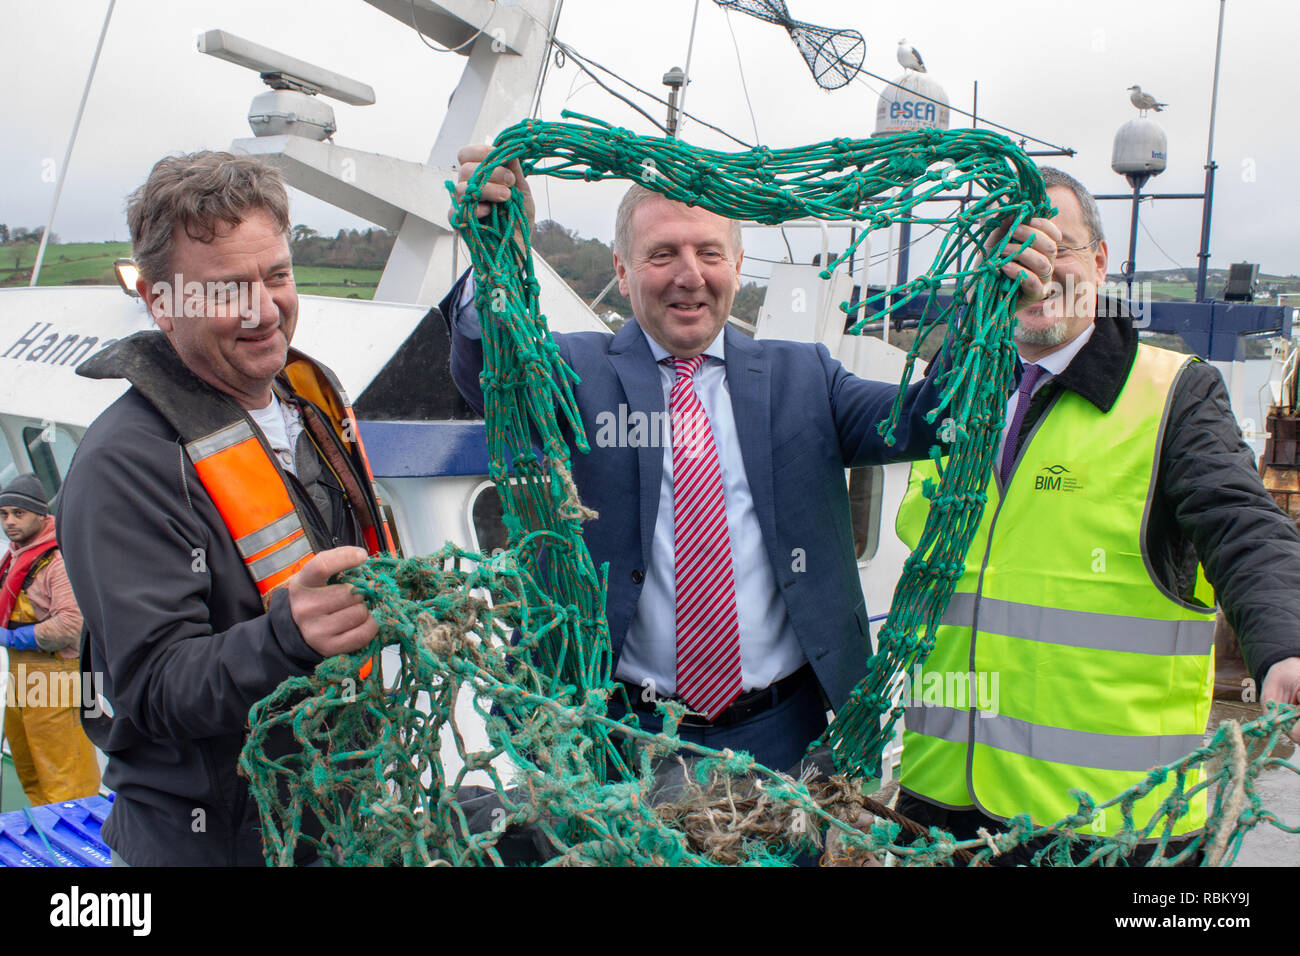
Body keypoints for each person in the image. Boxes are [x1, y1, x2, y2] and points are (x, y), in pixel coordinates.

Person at [443, 147, 1059, 771]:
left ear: (737, 265)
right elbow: (487, 372)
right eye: (662, 254)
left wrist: (995, 304)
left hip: (785, 733)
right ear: (623, 273)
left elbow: (929, 420)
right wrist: (499, 255)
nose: (690, 275)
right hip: (614, 733)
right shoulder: (570, 371)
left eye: (710, 253)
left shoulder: (804, 376)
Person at [894, 166, 1300, 864]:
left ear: (1102, 263)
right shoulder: (956, 393)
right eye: (1011, 250)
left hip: (1108, 830)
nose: (1035, 268)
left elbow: (1242, 524)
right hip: (936, 816)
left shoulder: (1174, 394)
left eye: (1061, 246)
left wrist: (1285, 642)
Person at [57, 151, 393, 866]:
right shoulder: (123, 465)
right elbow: (150, 689)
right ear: (158, 302)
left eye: (276, 275)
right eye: (226, 290)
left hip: (335, 823)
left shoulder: (312, 405)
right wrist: (285, 640)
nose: (264, 311)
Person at [0, 474, 100, 807]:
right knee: (30, 767)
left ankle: (79, 847)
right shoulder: (15, 555)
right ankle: (48, 841)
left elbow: (71, 625)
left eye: (18, 513)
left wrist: (13, 636)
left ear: (41, 515)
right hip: (22, 679)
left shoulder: (57, 561)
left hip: (59, 677)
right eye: (3, 514)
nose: (9, 522)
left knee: (66, 779)